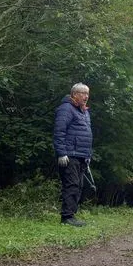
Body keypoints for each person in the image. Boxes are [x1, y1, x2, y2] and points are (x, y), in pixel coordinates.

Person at [53, 83, 93, 227]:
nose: (86, 96)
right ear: (74, 94)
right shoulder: (66, 109)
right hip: (69, 155)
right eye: (83, 93)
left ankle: (71, 215)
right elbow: (59, 132)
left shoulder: (84, 111)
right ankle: (67, 217)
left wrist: (87, 155)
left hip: (81, 155)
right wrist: (61, 153)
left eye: (87, 93)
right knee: (72, 185)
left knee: (78, 185)